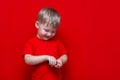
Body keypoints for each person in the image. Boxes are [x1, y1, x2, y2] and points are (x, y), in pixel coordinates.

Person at [22, 8, 68, 80]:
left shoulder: (57, 42)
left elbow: (64, 56)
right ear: (37, 25)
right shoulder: (31, 43)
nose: (49, 34)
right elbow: (28, 60)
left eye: (53, 32)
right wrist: (45, 57)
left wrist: (60, 60)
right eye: (46, 30)